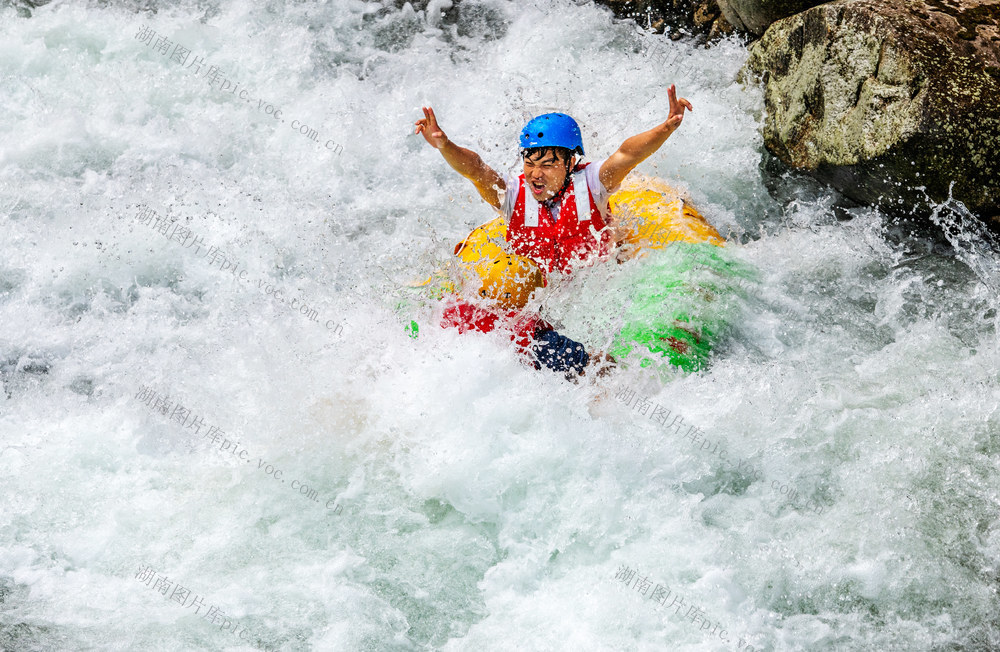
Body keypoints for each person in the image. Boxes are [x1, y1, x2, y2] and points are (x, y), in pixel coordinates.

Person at [415, 85, 693, 377]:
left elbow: (627, 154)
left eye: (548, 165)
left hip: (596, 286)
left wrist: (665, 128)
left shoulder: (592, 183)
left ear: (571, 162)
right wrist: (445, 145)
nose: (536, 174)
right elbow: (476, 169)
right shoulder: (512, 194)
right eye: (530, 163)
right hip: (537, 298)